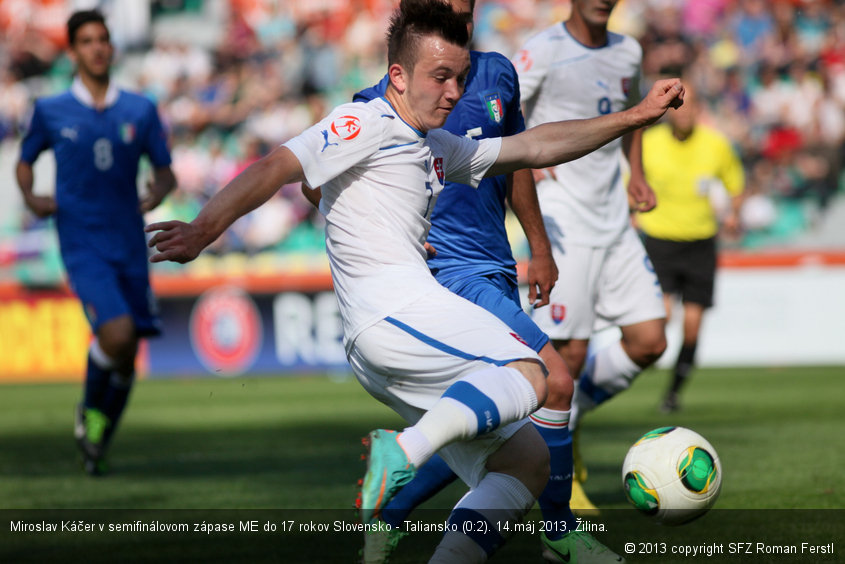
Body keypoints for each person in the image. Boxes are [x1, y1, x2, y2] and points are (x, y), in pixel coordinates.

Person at [147, 1, 683, 560]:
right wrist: (204, 229)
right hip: (394, 312)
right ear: (398, 77)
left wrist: (634, 117)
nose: (453, 92)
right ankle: (402, 452)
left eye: (458, 78)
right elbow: (279, 165)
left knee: (524, 463)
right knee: (535, 372)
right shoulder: (365, 121)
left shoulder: (435, 146)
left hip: (397, 326)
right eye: (440, 77)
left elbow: (535, 147)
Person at [350, 1, 609, 562]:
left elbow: (515, 162)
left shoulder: (497, 73)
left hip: (496, 261)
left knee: (483, 426)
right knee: (555, 382)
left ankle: (391, 507)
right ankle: (560, 532)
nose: (460, 16)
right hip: (448, 274)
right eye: (447, 7)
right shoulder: (381, 102)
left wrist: (537, 247)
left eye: (466, 8)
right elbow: (324, 186)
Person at [513, 0, 668, 511]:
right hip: (563, 218)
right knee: (570, 355)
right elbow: (501, 108)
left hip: (613, 217)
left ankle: (565, 420)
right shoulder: (543, 51)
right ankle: (562, 482)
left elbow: (633, 114)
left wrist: (636, 173)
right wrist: (524, 163)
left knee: (650, 340)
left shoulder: (628, 51)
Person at [16, 9, 176, 476]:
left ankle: (97, 436)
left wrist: (159, 190)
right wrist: (30, 195)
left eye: (102, 39)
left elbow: (165, 170)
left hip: (128, 239)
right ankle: (90, 411)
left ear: (112, 46)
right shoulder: (51, 110)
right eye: (86, 40)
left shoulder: (139, 110)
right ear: (73, 51)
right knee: (118, 333)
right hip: (81, 241)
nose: (97, 47)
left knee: (128, 353)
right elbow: (24, 163)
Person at [637, 85, 745, 413]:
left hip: (700, 242)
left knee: (694, 324)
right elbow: (631, 183)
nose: (683, 112)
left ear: (698, 109)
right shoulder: (649, 143)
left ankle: (673, 392)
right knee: (662, 319)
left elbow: (735, 185)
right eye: (678, 106)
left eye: (689, 106)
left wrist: (733, 215)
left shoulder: (716, 145)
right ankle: (625, 372)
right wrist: (632, 211)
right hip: (660, 239)